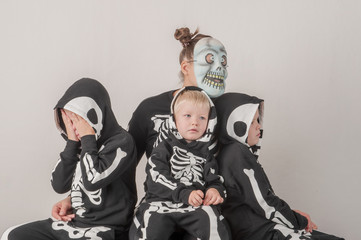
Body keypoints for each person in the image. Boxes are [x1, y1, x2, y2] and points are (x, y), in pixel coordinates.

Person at [49, 27, 230, 233]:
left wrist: (216, 191)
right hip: (159, 205)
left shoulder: (227, 111)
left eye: (224, 62)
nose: (220, 67)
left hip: (205, 208)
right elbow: (122, 165)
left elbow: (236, 164)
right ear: (185, 67)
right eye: (209, 59)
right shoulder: (151, 109)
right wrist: (74, 196)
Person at [1, 78, 137, 240]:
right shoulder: (81, 146)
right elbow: (59, 185)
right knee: (12, 235)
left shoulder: (122, 142)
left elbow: (92, 181)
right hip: (75, 223)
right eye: (70, 121)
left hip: (106, 229)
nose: (74, 127)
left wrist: (88, 138)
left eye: (78, 121)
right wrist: (72, 143)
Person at [214, 92, 345, 240]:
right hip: (261, 232)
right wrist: (299, 220)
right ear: (232, 123)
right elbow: (265, 203)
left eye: (258, 120)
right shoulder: (236, 153)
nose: (258, 126)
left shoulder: (231, 154)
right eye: (251, 121)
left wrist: (293, 214)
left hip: (260, 228)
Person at [130, 87, 230, 240]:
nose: (195, 122)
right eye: (187, 116)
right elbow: (155, 178)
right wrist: (184, 193)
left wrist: (215, 191)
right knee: (150, 225)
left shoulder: (207, 154)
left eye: (202, 118)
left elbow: (214, 179)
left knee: (213, 222)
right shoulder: (163, 148)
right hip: (161, 202)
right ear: (174, 119)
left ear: (210, 122)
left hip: (195, 206)